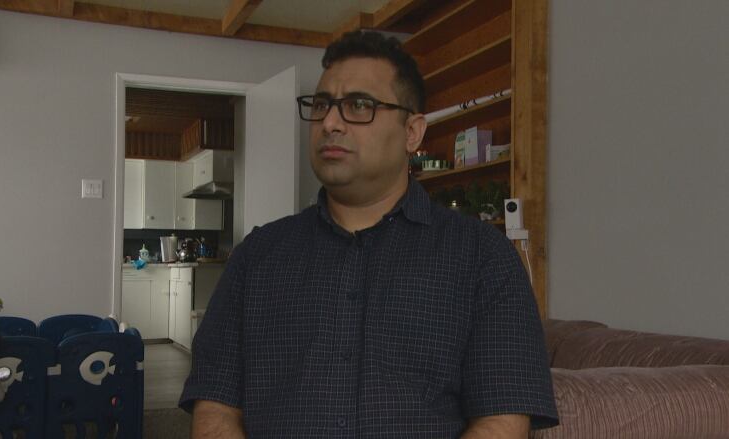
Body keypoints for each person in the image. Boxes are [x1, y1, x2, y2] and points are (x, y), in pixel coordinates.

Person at [180, 30, 558, 438]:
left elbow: (503, 419)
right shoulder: (256, 257)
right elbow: (215, 407)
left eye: (358, 105)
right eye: (321, 104)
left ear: (412, 132)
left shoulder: (483, 257)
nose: (329, 123)